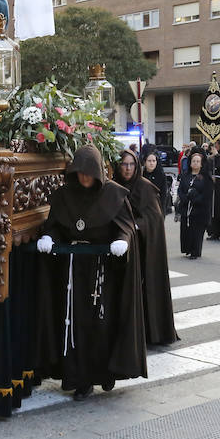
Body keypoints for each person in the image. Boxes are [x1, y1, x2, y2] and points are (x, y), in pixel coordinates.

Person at [35, 146, 146, 401]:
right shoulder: (64, 196)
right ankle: (80, 379)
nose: (84, 179)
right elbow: (56, 226)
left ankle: (105, 374)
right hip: (73, 272)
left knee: (102, 323)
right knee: (74, 325)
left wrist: (122, 240)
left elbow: (125, 227)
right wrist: (49, 237)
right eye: (79, 174)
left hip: (102, 272)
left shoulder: (113, 195)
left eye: (88, 174)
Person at [113, 149, 177, 346]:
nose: (128, 168)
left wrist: (134, 226)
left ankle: (151, 332)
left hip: (143, 248)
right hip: (120, 248)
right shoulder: (113, 186)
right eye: (124, 164)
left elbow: (154, 217)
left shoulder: (145, 187)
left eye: (132, 164)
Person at [177, 148, 213, 259]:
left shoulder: (206, 177)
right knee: (186, 230)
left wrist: (196, 199)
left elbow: (207, 193)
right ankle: (187, 248)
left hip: (199, 210)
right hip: (186, 208)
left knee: (196, 231)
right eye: (193, 161)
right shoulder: (185, 175)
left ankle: (195, 251)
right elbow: (180, 189)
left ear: (201, 164)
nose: (195, 163)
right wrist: (185, 198)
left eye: (198, 161)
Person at [141, 150, 169, 215]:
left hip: (157, 208)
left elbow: (164, 195)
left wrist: (162, 212)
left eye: (154, 161)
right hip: (143, 210)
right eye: (149, 161)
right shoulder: (141, 175)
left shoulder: (161, 175)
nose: (152, 163)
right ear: (145, 162)